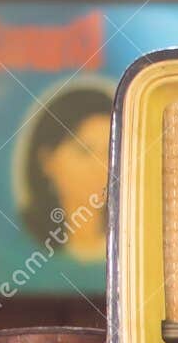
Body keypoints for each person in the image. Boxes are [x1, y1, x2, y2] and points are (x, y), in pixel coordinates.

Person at [19, 83, 112, 262]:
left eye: (110, 152)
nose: (103, 168)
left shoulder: (132, 236)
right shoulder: (28, 240)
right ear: (47, 161)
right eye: (85, 152)